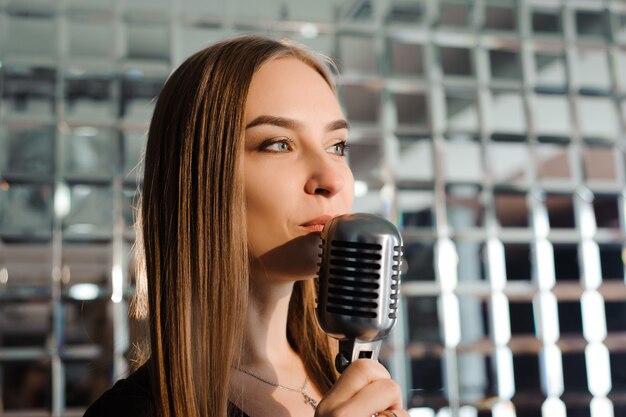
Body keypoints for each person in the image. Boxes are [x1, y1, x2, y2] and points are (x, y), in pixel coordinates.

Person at [84, 35, 406, 417]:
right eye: (278, 144)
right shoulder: (132, 411)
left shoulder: (361, 382)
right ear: (196, 179)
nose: (330, 179)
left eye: (336, 146)